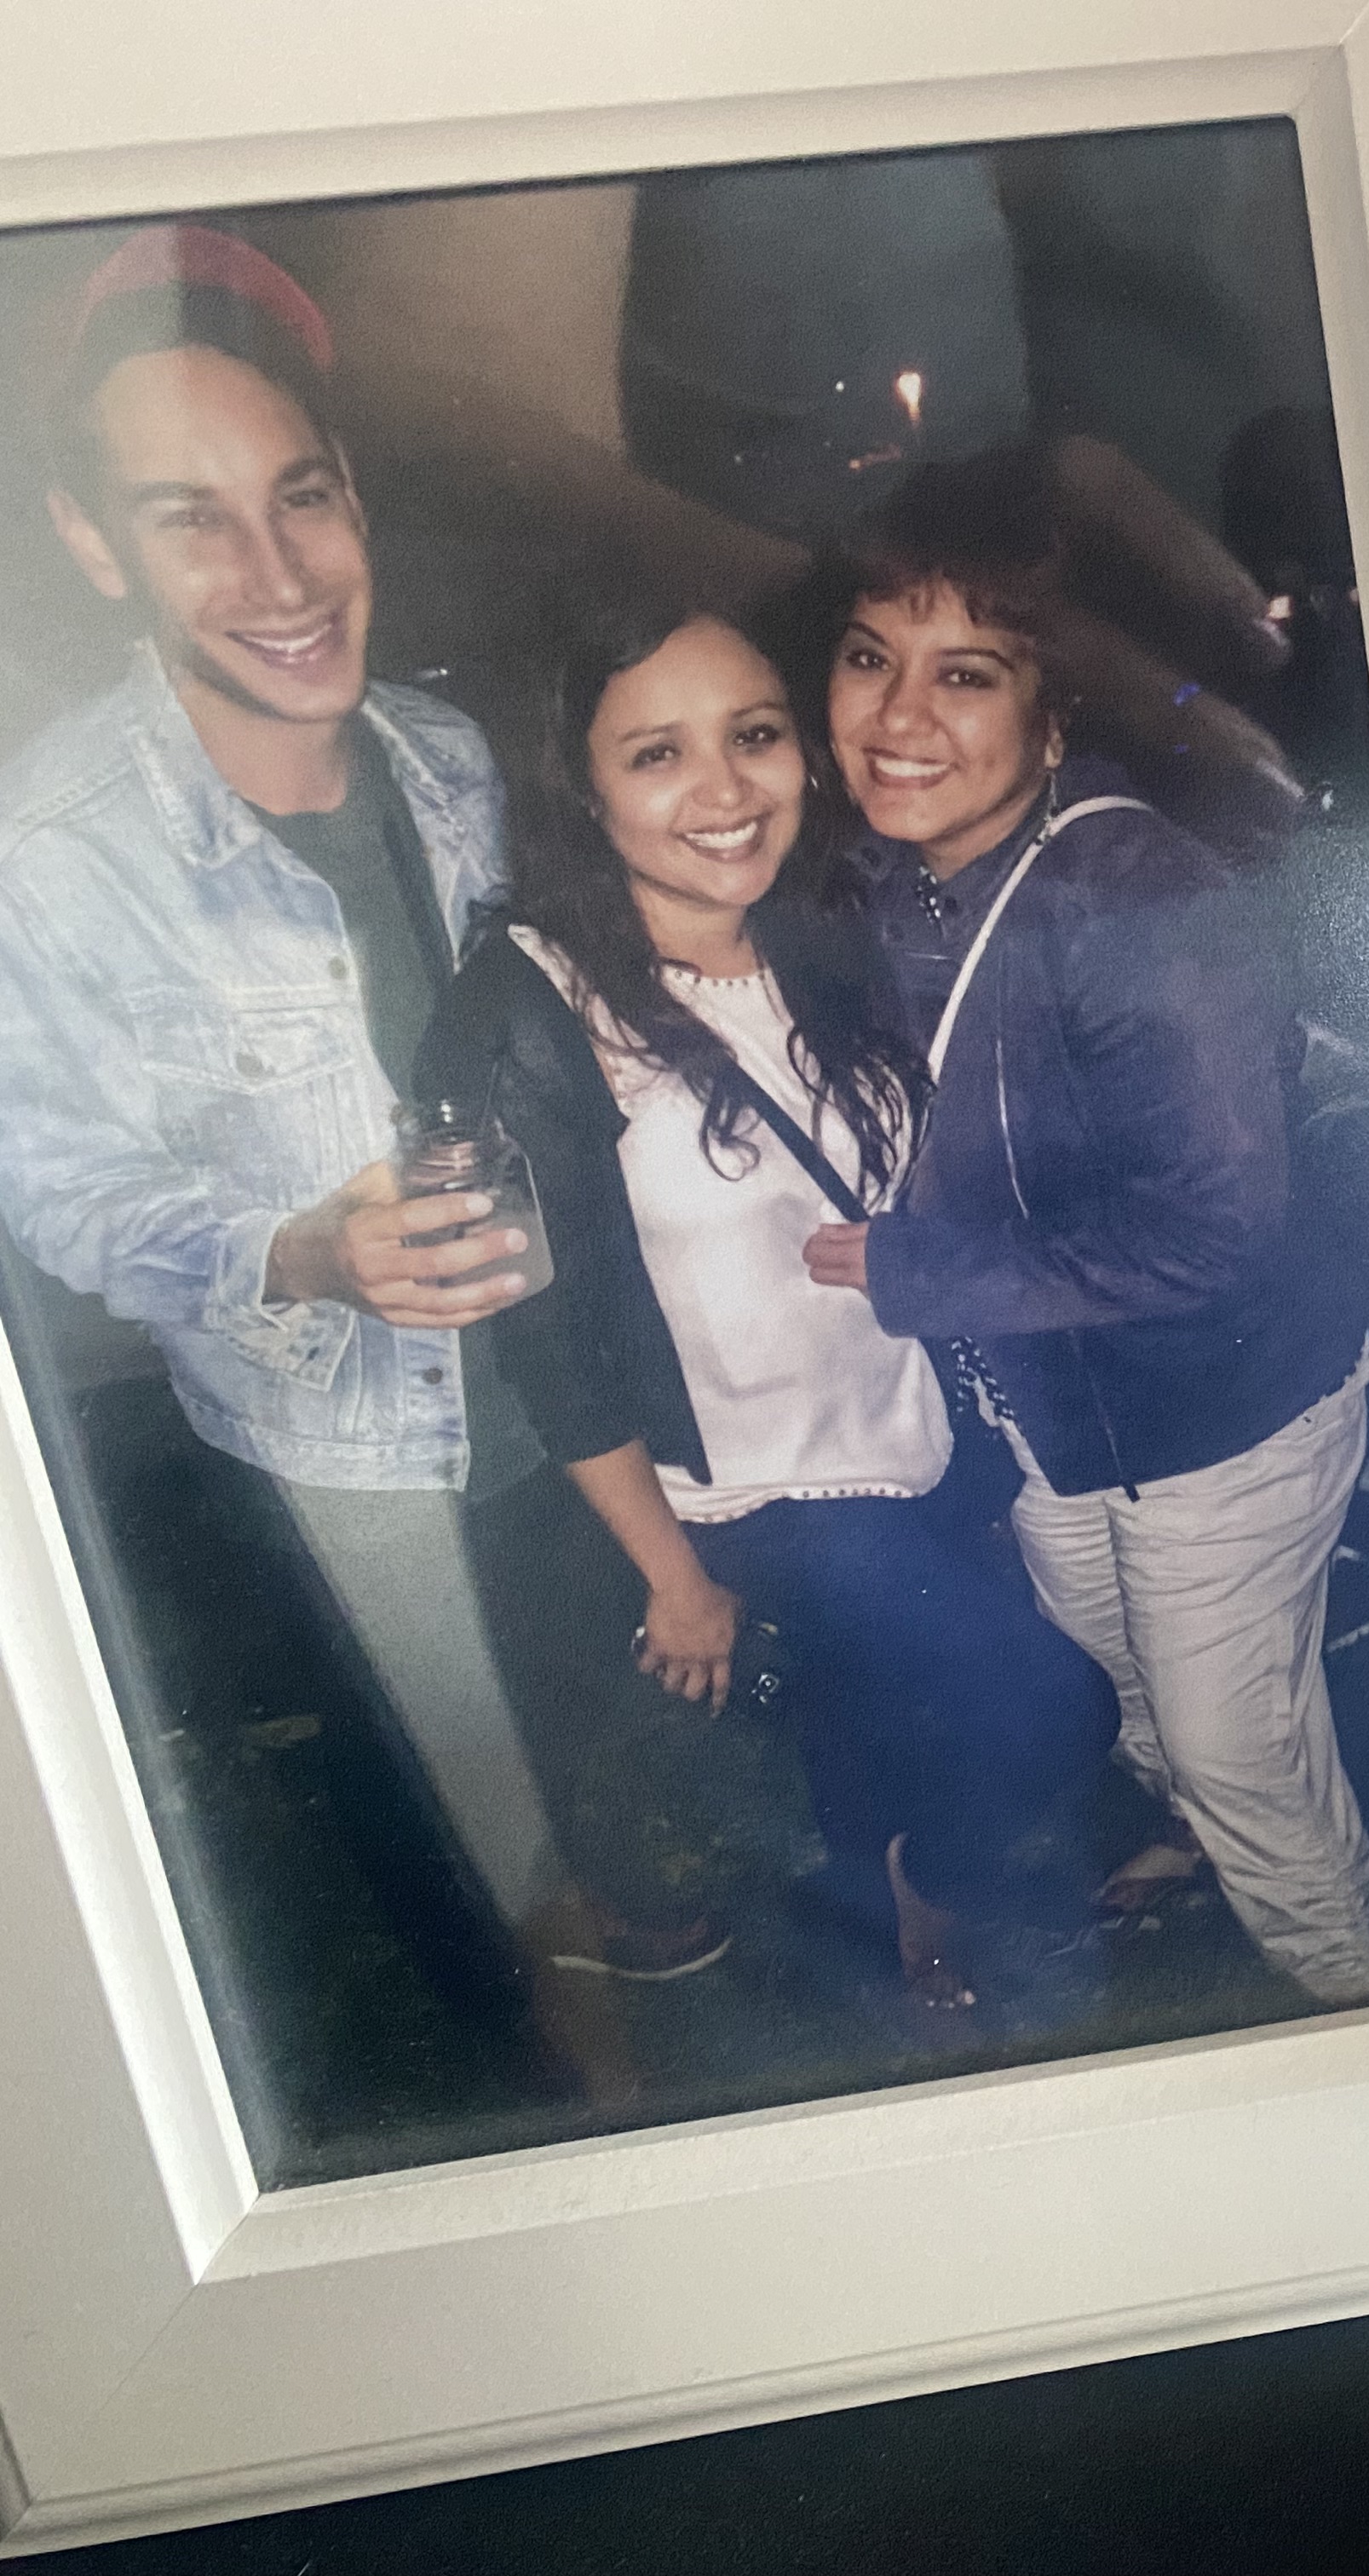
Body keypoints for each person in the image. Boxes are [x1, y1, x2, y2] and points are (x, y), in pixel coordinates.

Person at [0, 225, 716, 1998]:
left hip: (553, 1407)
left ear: (357, 506)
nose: (275, 569)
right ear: (95, 546)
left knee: (609, 1775)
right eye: (189, 517)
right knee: (464, 1848)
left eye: (301, 496)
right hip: (343, 1463)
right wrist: (304, 1251)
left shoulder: (446, 757)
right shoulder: (48, 853)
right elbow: (56, 1192)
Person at [415, 596, 1115, 2006]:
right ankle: (905, 1925)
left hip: (906, 1438)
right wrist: (676, 1576)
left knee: (890, 1744)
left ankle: (908, 1916)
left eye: (752, 735)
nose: (724, 790)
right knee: (1058, 1703)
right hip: (741, 1493)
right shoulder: (524, 1006)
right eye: (657, 754)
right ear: (581, 781)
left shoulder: (819, 931)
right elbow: (540, 1336)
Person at [797, 454, 1369, 2008]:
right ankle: (1206, 1837)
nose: (898, 715)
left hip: (1226, 1416)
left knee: (1234, 1746)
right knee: (1122, 1689)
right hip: (1052, 1416)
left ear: (1051, 712)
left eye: (966, 674)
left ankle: (1368, 2015)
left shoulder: (1135, 901)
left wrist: (917, 1271)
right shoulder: (884, 877)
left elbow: (1211, 1231)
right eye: (870, 656)